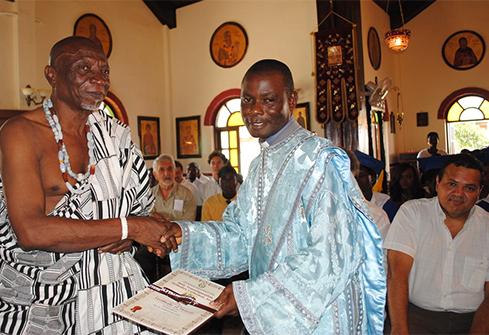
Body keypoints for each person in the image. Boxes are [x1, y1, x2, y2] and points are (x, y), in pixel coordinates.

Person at [162, 59, 386, 334]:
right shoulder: (259, 165)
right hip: (276, 318)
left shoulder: (319, 160)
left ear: (290, 100)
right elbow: (242, 234)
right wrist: (183, 234)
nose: (254, 111)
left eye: (268, 100)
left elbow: (332, 255)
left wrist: (252, 296)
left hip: (319, 317)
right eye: (246, 100)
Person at [0, 36, 173, 334]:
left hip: (111, 294)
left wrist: (142, 232)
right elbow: (30, 231)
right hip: (39, 305)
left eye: (105, 71)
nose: (99, 79)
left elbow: (140, 213)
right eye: (84, 67)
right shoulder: (21, 133)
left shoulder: (115, 135)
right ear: (52, 74)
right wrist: (128, 228)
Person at [385, 154, 489, 334]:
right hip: (417, 317)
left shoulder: (486, 225)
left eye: (469, 188)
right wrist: (399, 329)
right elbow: (397, 274)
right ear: (437, 183)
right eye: (452, 184)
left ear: (479, 192)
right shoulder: (413, 213)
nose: (458, 194)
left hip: (473, 319)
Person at [355, 150, 399, 221]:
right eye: (352, 177)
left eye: (360, 175)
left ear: (372, 178)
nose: (355, 180)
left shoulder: (385, 205)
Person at [151, 155, 196, 221]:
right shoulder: (149, 195)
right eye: (162, 170)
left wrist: (163, 221)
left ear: (174, 172)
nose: (166, 173)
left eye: (170, 169)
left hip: (179, 231)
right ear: (155, 175)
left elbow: (188, 224)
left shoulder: (186, 195)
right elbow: (148, 222)